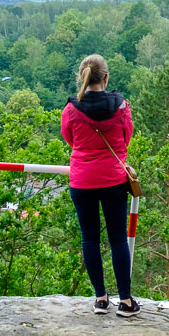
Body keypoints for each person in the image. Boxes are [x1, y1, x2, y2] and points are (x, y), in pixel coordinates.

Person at [60, 54, 139, 317]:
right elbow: (126, 139)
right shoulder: (122, 108)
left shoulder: (71, 110)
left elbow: (69, 139)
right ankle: (126, 302)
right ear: (106, 78)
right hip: (113, 180)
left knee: (89, 238)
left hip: (82, 181)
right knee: (118, 239)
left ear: (81, 77)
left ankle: (101, 299)